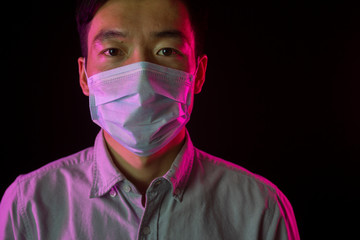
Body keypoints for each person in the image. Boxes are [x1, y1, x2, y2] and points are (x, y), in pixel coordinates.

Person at [0, 0, 300, 239]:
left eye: (166, 50)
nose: (142, 76)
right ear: (84, 76)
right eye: (114, 51)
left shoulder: (261, 208)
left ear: (199, 73)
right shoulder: (29, 204)